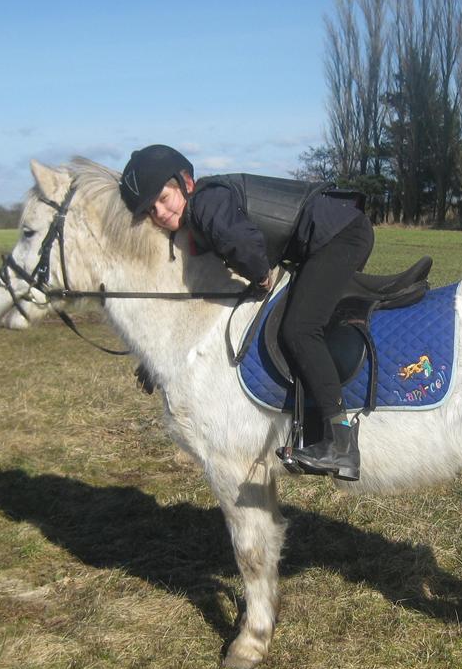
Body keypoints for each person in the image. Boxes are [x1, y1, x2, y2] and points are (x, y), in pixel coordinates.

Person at [119, 144, 373, 480]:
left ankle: (342, 443)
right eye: (152, 210)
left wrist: (260, 274)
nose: (162, 213)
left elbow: (243, 242)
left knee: (300, 328)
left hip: (341, 236)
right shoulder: (201, 210)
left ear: (186, 183)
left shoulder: (205, 204)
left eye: (164, 199)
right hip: (327, 239)